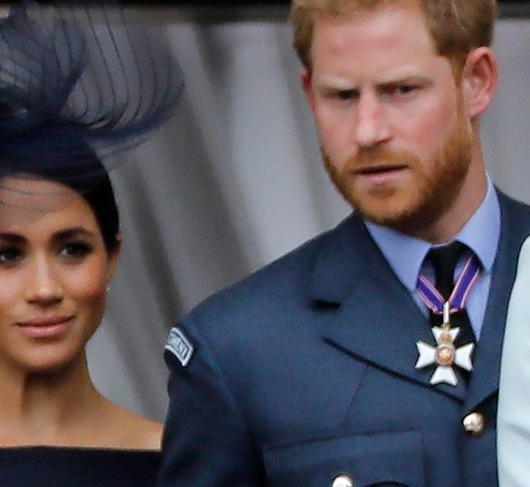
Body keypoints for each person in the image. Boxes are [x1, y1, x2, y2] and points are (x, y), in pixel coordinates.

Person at [159, 0, 530, 485]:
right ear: (309, 94)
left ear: (476, 81)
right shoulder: (238, 350)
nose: (368, 131)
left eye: (402, 90)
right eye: (342, 96)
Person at [0, 2, 182, 486]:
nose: (44, 288)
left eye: (72, 249)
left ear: (112, 256)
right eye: (6, 255)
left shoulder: (190, 467)